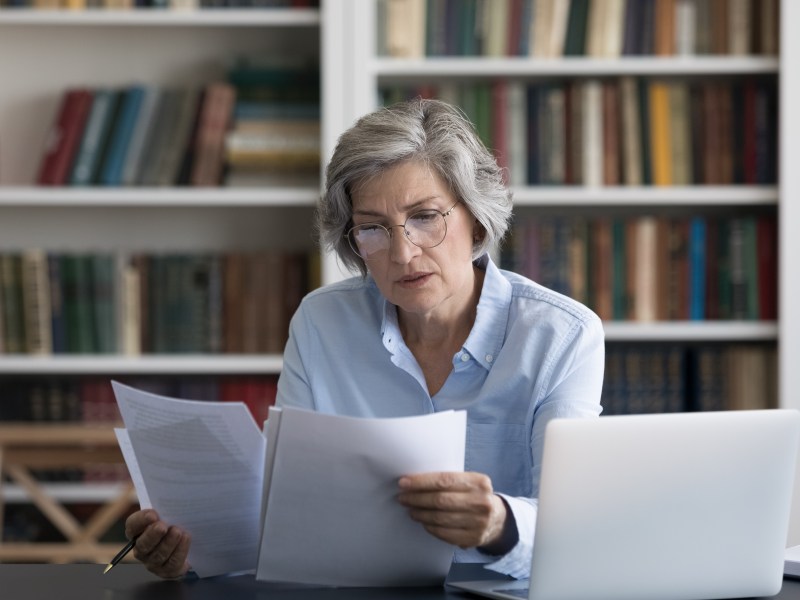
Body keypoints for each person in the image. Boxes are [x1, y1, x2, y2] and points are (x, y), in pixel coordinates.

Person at [124, 98, 605, 580]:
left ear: (476, 220)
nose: (402, 252)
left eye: (425, 217)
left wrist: (500, 524)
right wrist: (196, 552)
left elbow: (576, 531)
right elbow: (285, 514)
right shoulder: (321, 323)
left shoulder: (561, 336)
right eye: (372, 228)